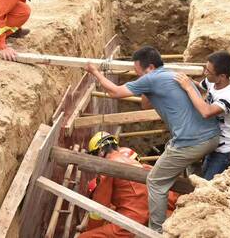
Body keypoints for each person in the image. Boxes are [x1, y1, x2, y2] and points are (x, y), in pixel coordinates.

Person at [85, 46, 219, 233]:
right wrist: (145, 86)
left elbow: (115, 92)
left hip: (191, 142)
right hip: (210, 136)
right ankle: (184, 208)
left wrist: (95, 73)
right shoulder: (170, 74)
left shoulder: (153, 78)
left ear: (149, 68)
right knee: (168, 172)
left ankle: (155, 232)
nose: (138, 76)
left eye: (138, 72)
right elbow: (145, 104)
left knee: (155, 181)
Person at [81, 132, 178, 238]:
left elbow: (99, 208)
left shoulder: (107, 169)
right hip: (156, 211)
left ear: (100, 152)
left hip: (134, 219)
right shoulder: (135, 162)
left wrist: (90, 230)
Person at [174, 51, 230, 180]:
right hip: (212, 145)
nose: (205, 73)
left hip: (224, 152)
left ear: (222, 76)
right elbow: (200, 85)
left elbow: (206, 112)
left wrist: (188, 87)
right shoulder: (213, 81)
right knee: (204, 178)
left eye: (208, 71)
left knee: (207, 188)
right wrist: (186, 80)